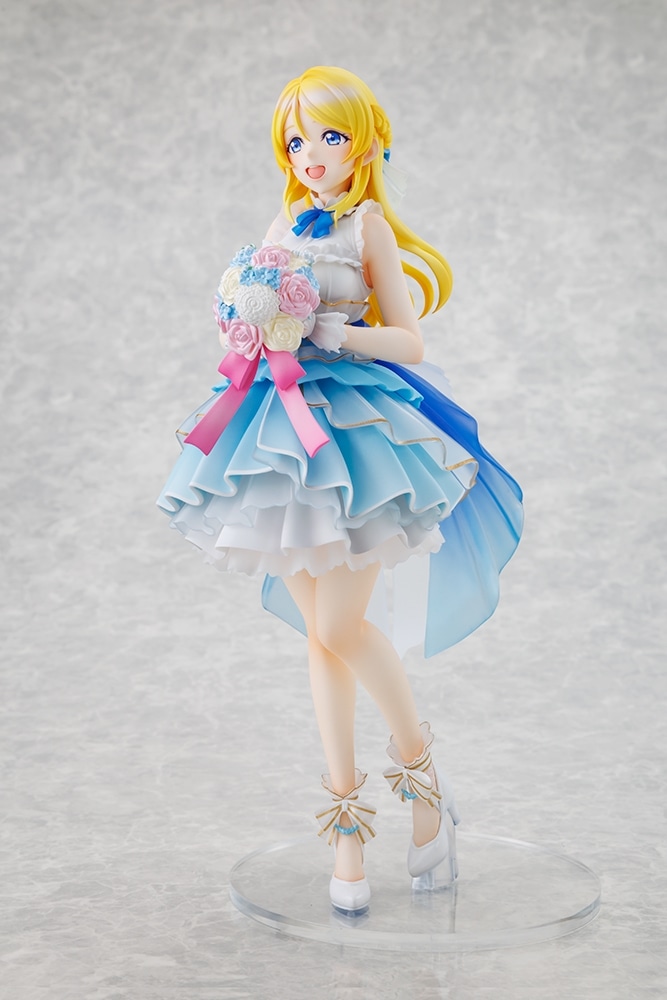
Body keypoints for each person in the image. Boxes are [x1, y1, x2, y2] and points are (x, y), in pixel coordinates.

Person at [157, 66, 523, 914]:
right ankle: (347, 826)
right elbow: (249, 305)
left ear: (363, 142)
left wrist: (335, 333)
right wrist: (250, 325)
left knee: (335, 625)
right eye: (296, 140)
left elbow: (411, 342)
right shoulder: (281, 223)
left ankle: (423, 783)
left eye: (327, 135)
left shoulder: (366, 227)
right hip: (278, 436)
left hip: (355, 434)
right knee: (320, 643)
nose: (310, 154)